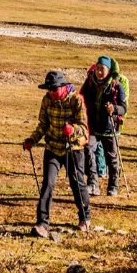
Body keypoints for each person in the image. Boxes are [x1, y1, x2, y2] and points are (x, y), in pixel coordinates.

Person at [24, 70, 91, 237]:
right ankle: (42, 224)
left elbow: (84, 129)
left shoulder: (77, 100)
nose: (51, 93)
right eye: (49, 89)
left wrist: (72, 130)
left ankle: (85, 218)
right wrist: (32, 139)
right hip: (53, 147)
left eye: (53, 89)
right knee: (48, 183)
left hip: (73, 148)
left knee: (77, 183)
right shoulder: (47, 100)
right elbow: (43, 125)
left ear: (62, 87)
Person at [79, 56, 128, 197]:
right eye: (98, 68)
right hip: (92, 125)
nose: (99, 72)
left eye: (103, 69)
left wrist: (114, 109)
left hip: (109, 127)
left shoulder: (116, 85)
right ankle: (93, 183)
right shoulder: (89, 82)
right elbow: (81, 98)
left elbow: (124, 108)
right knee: (88, 151)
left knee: (111, 157)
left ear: (108, 70)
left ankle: (113, 186)